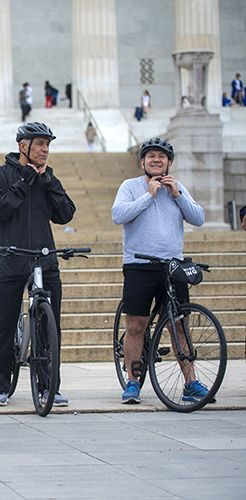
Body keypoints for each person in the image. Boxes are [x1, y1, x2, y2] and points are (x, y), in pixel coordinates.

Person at [0, 122, 76, 407]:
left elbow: (65, 215)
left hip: (43, 259)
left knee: (50, 327)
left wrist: (50, 183)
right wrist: (24, 181)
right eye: (40, 144)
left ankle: (50, 386)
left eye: (48, 145)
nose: (46, 150)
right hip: (9, 259)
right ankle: (1, 387)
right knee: (2, 325)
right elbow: (0, 209)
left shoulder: (48, 178)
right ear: (23, 146)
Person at [111, 138, 206, 405]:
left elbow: (198, 218)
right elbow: (118, 215)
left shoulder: (177, 187)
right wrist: (148, 195)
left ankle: (190, 382)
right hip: (139, 265)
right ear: (143, 162)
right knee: (136, 324)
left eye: (161, 157)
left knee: (180, 324)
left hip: (173, 267)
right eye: (151, 156)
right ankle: (133, 383)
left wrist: (177, 195)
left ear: (169, 163)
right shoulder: (130, 186)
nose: (156, 160)